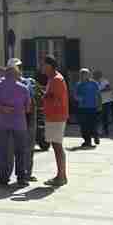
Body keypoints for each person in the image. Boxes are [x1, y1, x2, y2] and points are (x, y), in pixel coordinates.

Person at [0, 59, 31, 188]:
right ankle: (21, 177)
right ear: (17, 75)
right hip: (19, 123)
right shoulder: (23, 88)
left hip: (2, 123)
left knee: (2, 151)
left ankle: (3, 177)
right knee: (20, 151)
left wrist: (1, 107)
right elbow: (28, 108)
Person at [41, 55, 69, 187]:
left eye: (44, 65)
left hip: (56, 117)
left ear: (50, 66)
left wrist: (42, 95)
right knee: (56, 146)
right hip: (53, 117)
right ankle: (61, 175)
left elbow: (55, 98)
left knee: (57, 147)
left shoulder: (57, 79)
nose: (42, 68)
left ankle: (61, 176)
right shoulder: (52, 79)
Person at [74, 68, 101, 147]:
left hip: (93, 107)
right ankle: (87, 141)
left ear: (88, 75)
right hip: (82, 108)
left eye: (85, 74)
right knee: (84, 125)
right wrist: (78, 98)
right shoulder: (78, 85)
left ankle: (95, 135)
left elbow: (98, 95)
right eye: (81, 74)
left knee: (93, 124)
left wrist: (99, 105)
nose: (83, 76)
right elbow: (75, 95)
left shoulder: (94, 83)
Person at [93, 70, 113, 138]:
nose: (95, 76)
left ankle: (106, 131)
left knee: (105, 117)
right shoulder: (93, 82)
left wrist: (99, 91)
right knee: (98, 117)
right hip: (97, 102)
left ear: (100, 75)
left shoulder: (105, 81)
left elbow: (108, 88)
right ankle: (99, 130)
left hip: (106, 101)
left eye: (97, 74)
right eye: (95, 75)